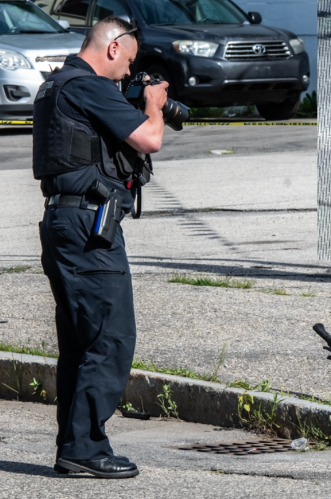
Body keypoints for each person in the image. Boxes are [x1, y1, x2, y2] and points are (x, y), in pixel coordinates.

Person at [33, 16, 168, 479]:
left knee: (81, 342)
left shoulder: (56, 86)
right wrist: (153, 104)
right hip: (88, 226)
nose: (129, 74)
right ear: (112, 49)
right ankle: (86, 448)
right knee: (110, 337)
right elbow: (150, 138)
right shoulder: (88, 86)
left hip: (65, 220)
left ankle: (77, 446)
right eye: (128, 62)